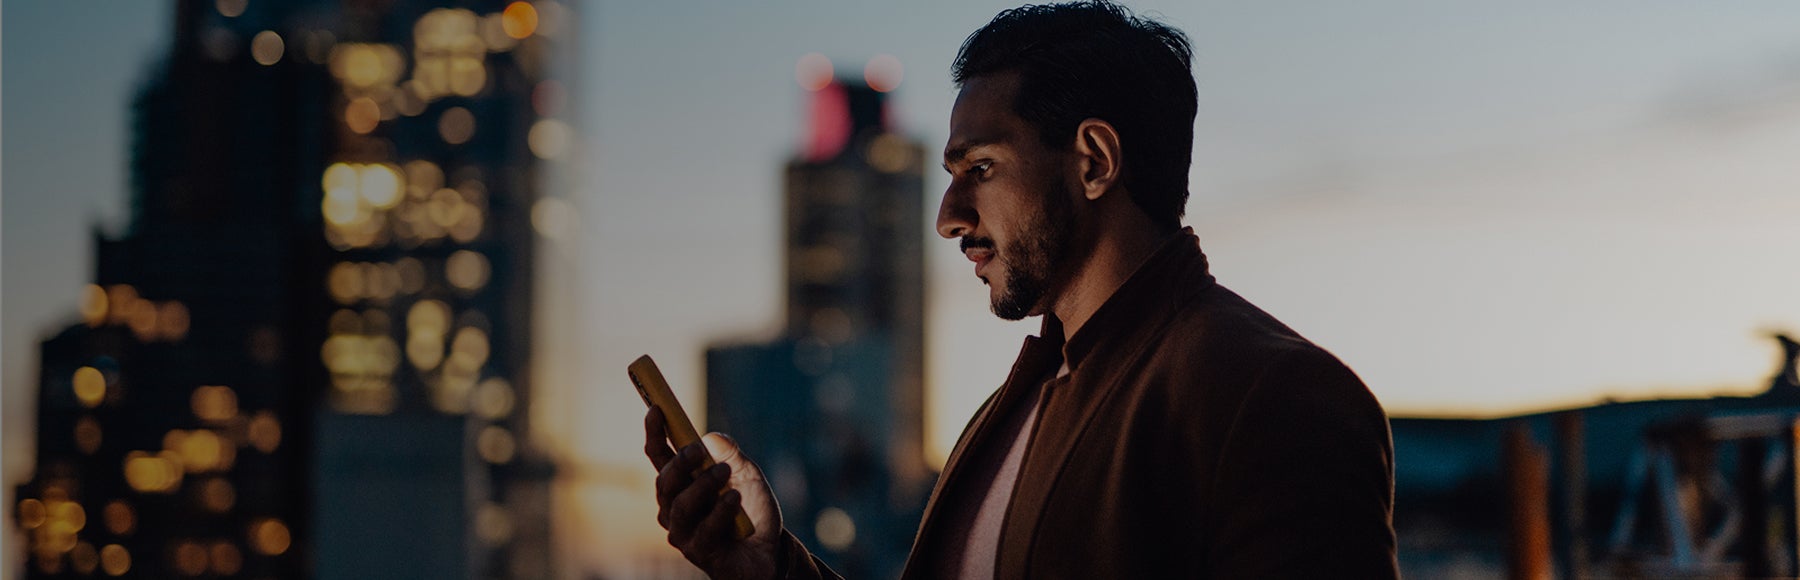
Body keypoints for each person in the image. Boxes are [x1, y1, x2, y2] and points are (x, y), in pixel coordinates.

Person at [643, 2, 1398, 578]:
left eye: (981, 170)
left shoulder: (1275, 398)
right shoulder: (1012, 409)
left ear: (1095, 161)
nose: (947, 219)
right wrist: (767, 566)